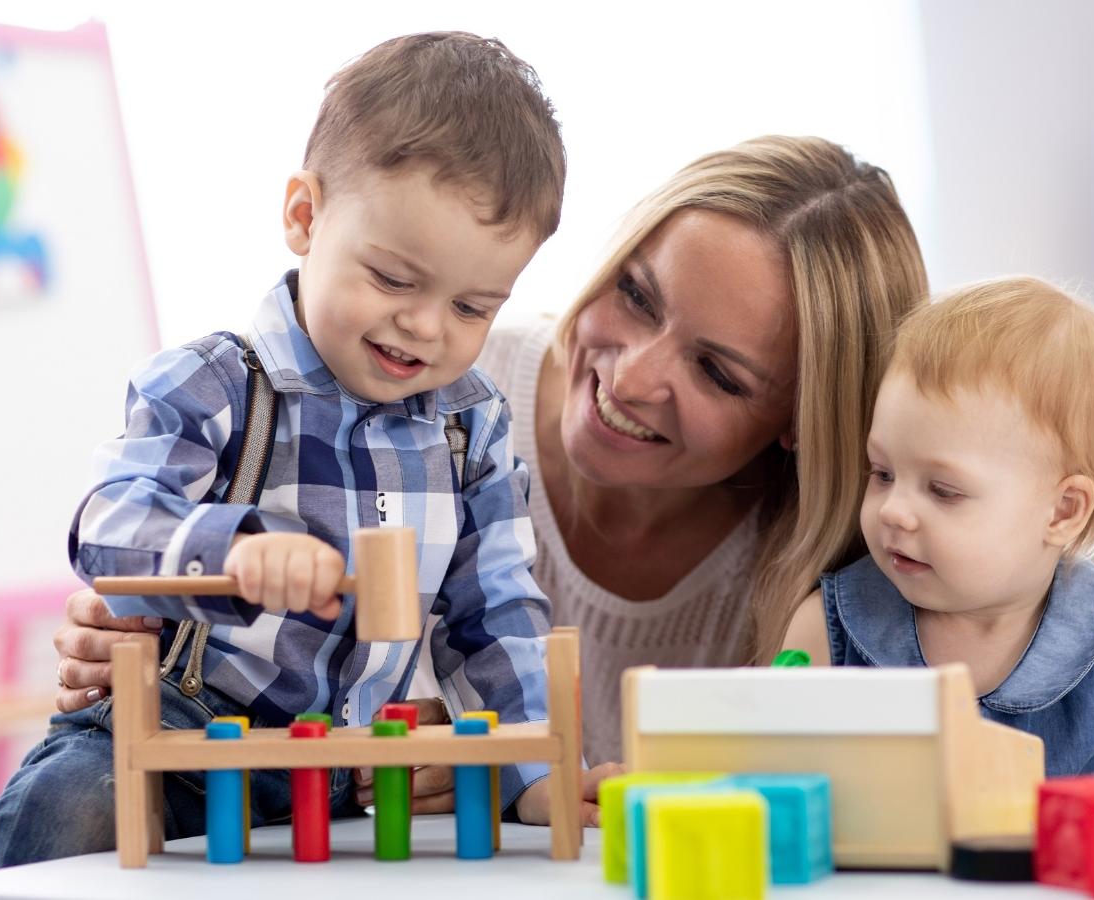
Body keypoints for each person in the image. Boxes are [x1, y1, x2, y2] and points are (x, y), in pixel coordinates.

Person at [51, 135, 932, 811]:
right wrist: (168, 606)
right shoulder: (427, 384)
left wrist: (504, 766)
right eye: (635, 293)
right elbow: (148, 536)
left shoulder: (831, 579)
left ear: (798, 423)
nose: (629, 378)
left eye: (719, 374)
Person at [0, 31, 599, 868]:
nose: (425, 327)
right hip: (183, 733)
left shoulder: (470, 427)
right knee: (77, 806)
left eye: (473, 307)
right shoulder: (213, 382)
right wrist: (237, 550)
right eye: (392, 279)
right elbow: (108, 523)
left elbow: (498, 616)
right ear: (305, 217)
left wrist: (536, 770)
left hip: (342, 769)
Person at [784, 277, 1094, 776]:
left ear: (1063, 512)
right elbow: (779, 801)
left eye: (943, 491)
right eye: (883, 474)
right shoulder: (827, 630)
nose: (893, 510)